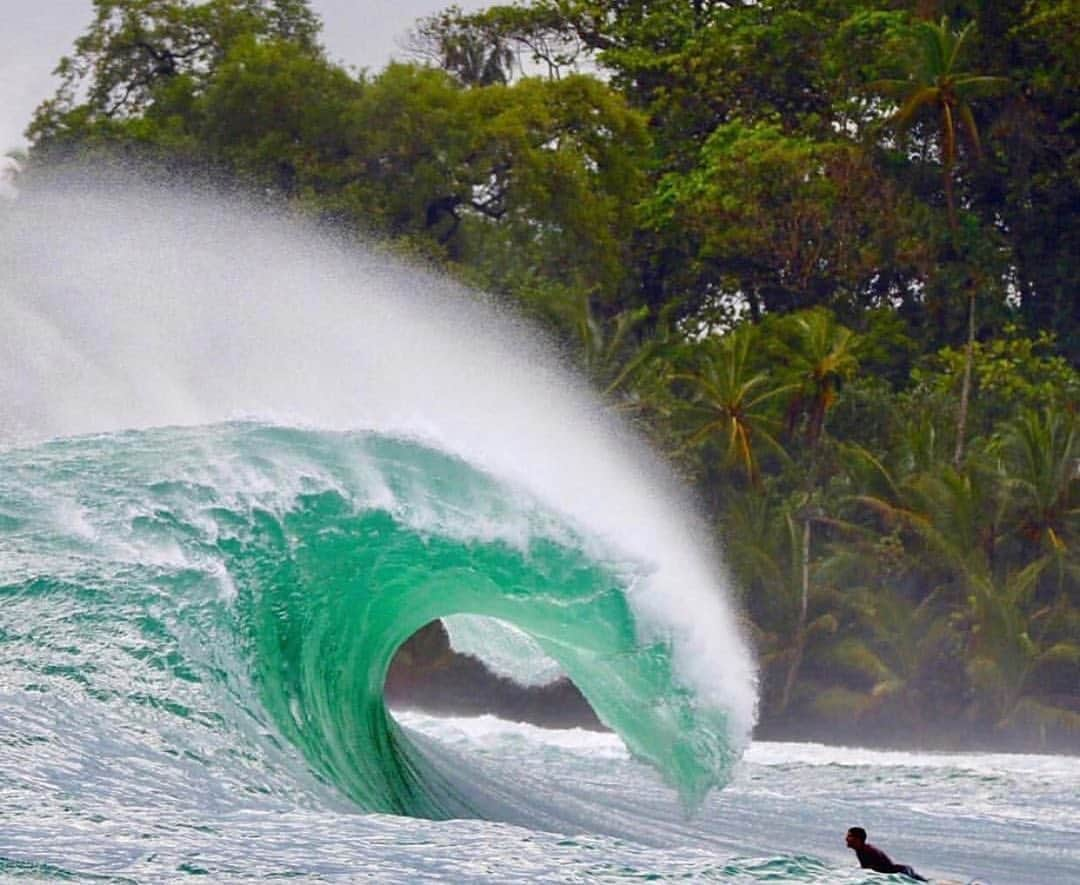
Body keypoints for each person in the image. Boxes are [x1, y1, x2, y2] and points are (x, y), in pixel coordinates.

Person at [846, 827, 928, 881]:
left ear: (857, 839)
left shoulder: (867, 851)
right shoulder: (861, 850)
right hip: (901, 871)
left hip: (902, 872)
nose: (846, 838)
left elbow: (881, 870)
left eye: (849, 836)